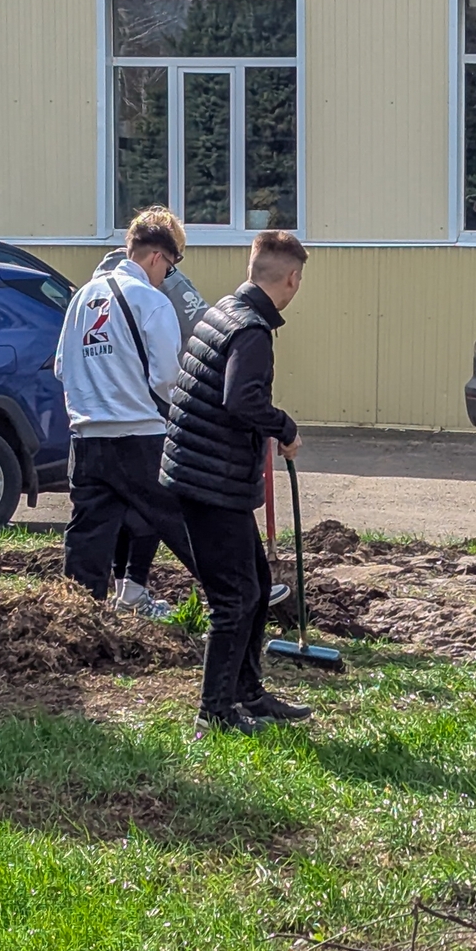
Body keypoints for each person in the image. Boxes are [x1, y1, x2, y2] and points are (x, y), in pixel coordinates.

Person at [163, 231, 312, 734]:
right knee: (234, 598)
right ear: (292, 279)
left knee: (258, 585)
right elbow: (241, 400)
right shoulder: (250, 330)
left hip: (202, 472)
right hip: (210, 481)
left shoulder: (224, 310)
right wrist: (284, 428)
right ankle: (214, 713)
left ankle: (248, 693)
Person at [58, 210, 200, 616]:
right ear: (157, 257)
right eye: (169, 267)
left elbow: (61, 367)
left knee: (88, 532)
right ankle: (239, 597)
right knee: (181, 520)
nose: (166, 276)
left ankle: (77, 616)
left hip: (86, 438)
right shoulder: (152, 301)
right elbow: (167, 377)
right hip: (140, 435)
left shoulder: (82, 298)